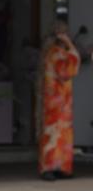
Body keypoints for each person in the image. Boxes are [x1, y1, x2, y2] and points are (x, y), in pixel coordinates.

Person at [39, 19, 82, 180]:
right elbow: (67, 70)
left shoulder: (53, 51)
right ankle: (50, 167)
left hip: (59, 99)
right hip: (57, 100)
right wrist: (70, 44)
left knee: (59, 132)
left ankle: (59, 167)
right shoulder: (56, 52)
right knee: (56, 132)